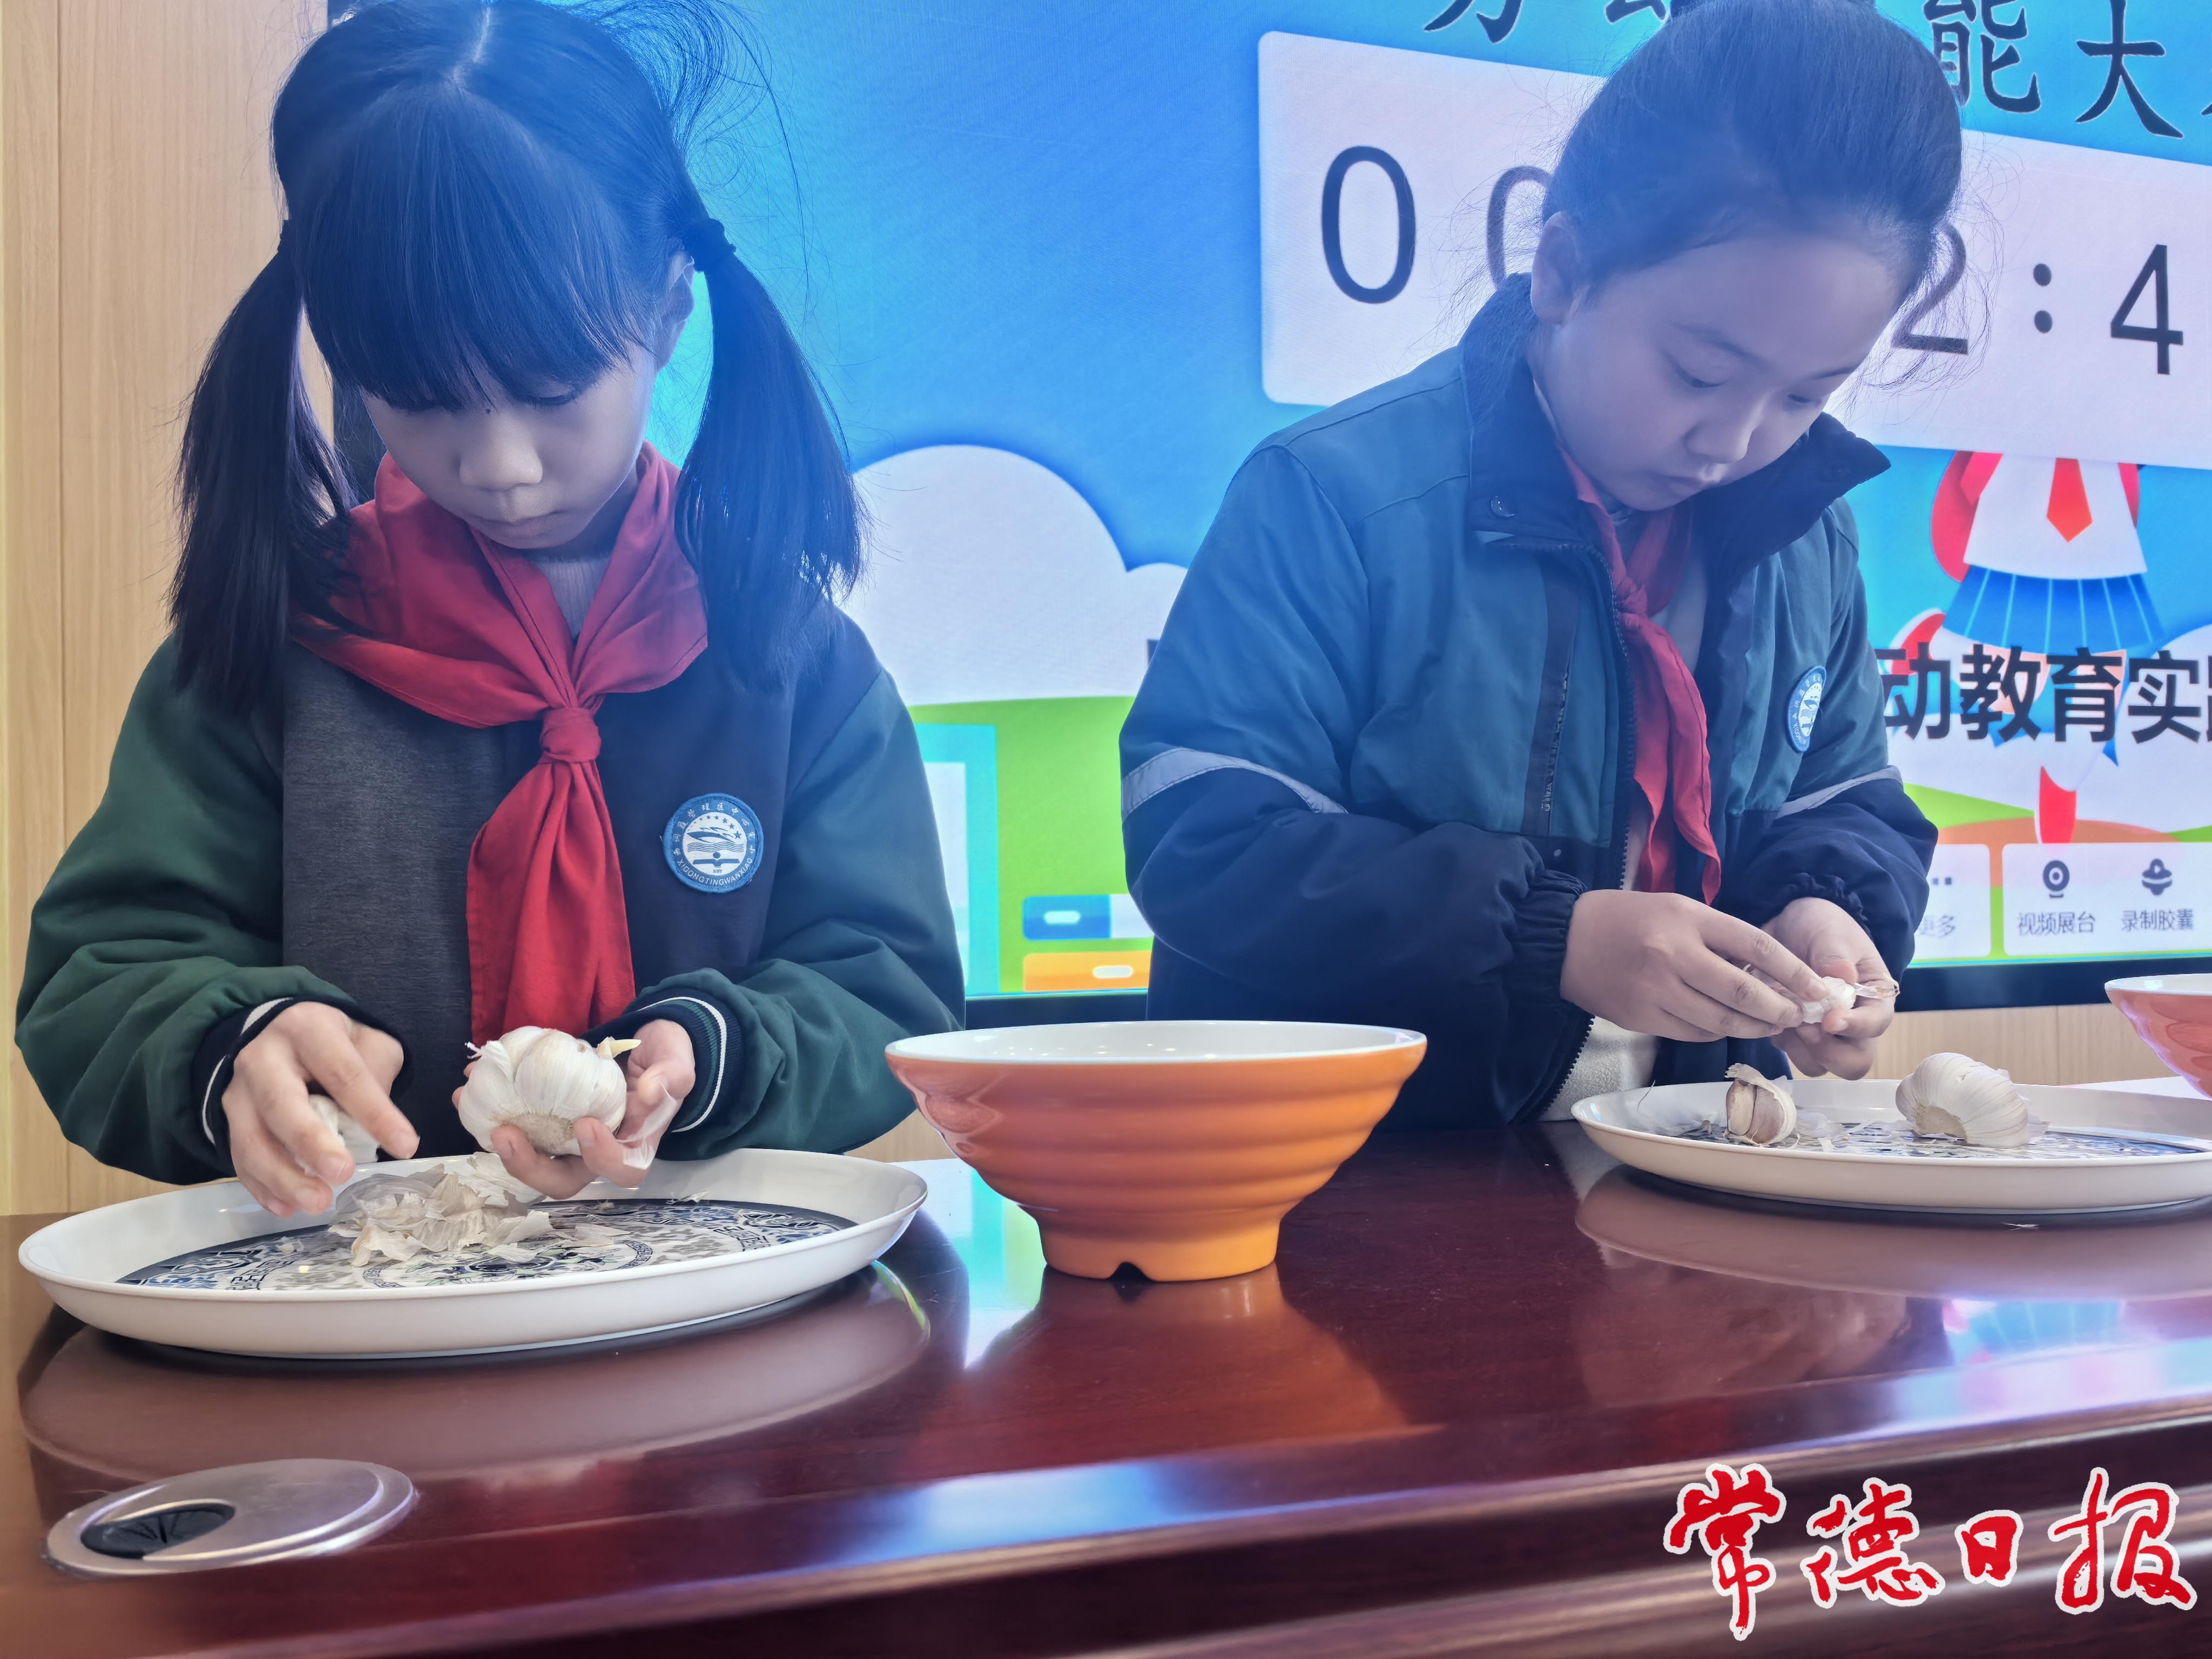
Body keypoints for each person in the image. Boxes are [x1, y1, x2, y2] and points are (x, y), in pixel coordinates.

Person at [17, 0, 961, 1217]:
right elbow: (99, 980)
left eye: (553, 388)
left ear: (667, 316)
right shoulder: (279, 646)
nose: (502, 468)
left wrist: (720, 1053)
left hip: (714, 1285)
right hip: (363, 1291)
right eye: (422, 400)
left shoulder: (787, 656)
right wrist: (234, 1044)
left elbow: (885, 983)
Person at [1122, 0, 1948, 1127]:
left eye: (1806, 396)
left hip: (1685, 1168)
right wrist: (1549, 935)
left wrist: (1823, 907)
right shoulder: (1333, 494)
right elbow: (1204, 838)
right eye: (1699, 373)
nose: (1733, 441)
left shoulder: (1803, 534)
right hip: (1346, 1185)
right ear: (1561, 268)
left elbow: (1843, 799)